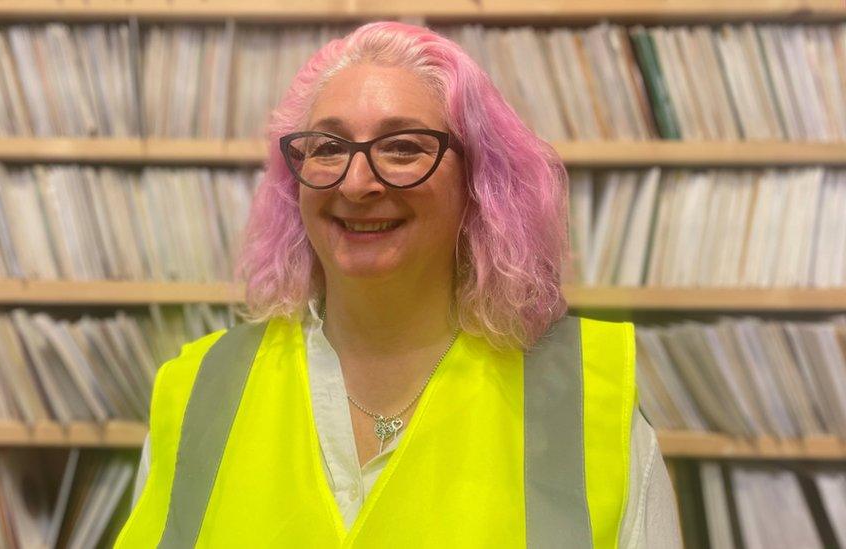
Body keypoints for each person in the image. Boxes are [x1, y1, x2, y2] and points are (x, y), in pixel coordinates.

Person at [116, 21, 682, 548]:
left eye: (404, 147)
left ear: (480, 183)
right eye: (328, 147)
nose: (357, 183)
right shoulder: (196, 394)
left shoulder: (590, 399)